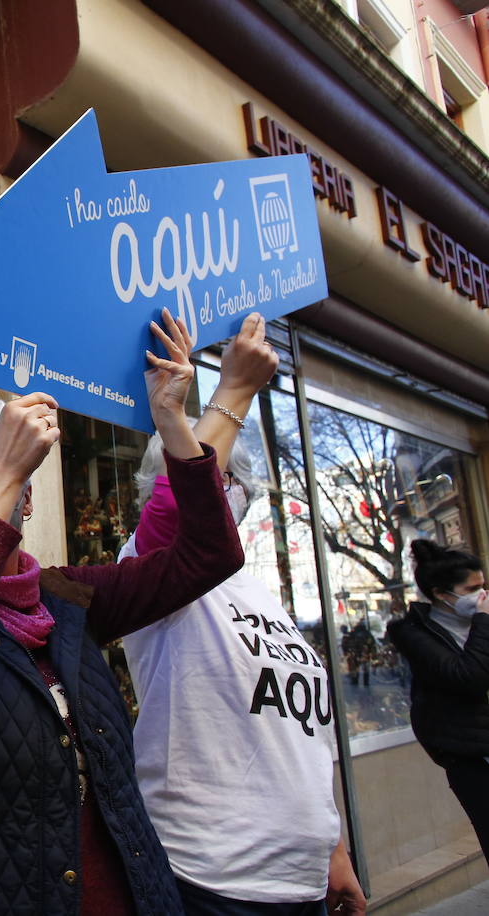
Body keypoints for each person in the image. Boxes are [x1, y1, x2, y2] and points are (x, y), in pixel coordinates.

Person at [0, 308, 243, 914]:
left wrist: (172, 419)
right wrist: (1, 470)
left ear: (29, 497)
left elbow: (208, 556)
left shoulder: (67, 597)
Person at [120, 313, 365, 915]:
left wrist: (332, 849)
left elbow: (303, 731)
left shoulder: (258, 594)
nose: (223, 489)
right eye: (213, 474)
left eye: (230, 481)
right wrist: (233, 390)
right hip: (211, 880)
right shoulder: (155, 565)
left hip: (301, 881)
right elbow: (183, 507)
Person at [387, 539, 489, 858]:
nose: (482, 595)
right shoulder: (414, 634)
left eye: (484, 585)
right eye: (473, 589)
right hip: (474, 759)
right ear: (441, 595)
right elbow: (468, 677)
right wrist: (484, 621)